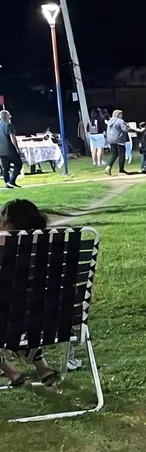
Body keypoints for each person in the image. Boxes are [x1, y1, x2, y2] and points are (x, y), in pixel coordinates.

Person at [0, 199, 66, 386]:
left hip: (9, 323)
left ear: (6, 221)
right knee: (21, 314)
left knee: (10, 316)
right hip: (51, 320)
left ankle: (10, 370)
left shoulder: (4, 250)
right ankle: (41, 367)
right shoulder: (53, 248)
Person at [104, 109, 134, 175]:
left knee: (114, 154)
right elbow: (125, 129)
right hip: (119, 139)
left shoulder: (110, 121)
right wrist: (134, 130)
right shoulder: (120, 121)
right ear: (119, 115)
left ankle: (108, 167)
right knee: (121, 154)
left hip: (111, 139)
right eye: (121, 114)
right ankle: (121, 170)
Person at [0, 111, 21, 189]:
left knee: (5, 168)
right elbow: (13, 138)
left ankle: (7, 183)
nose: (10, 116)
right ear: (6, 116)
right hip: (9, 150)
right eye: (9, 115)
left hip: (1, 151)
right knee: (18, 164)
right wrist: (17, 148)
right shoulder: (8, 125)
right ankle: (11, 181)